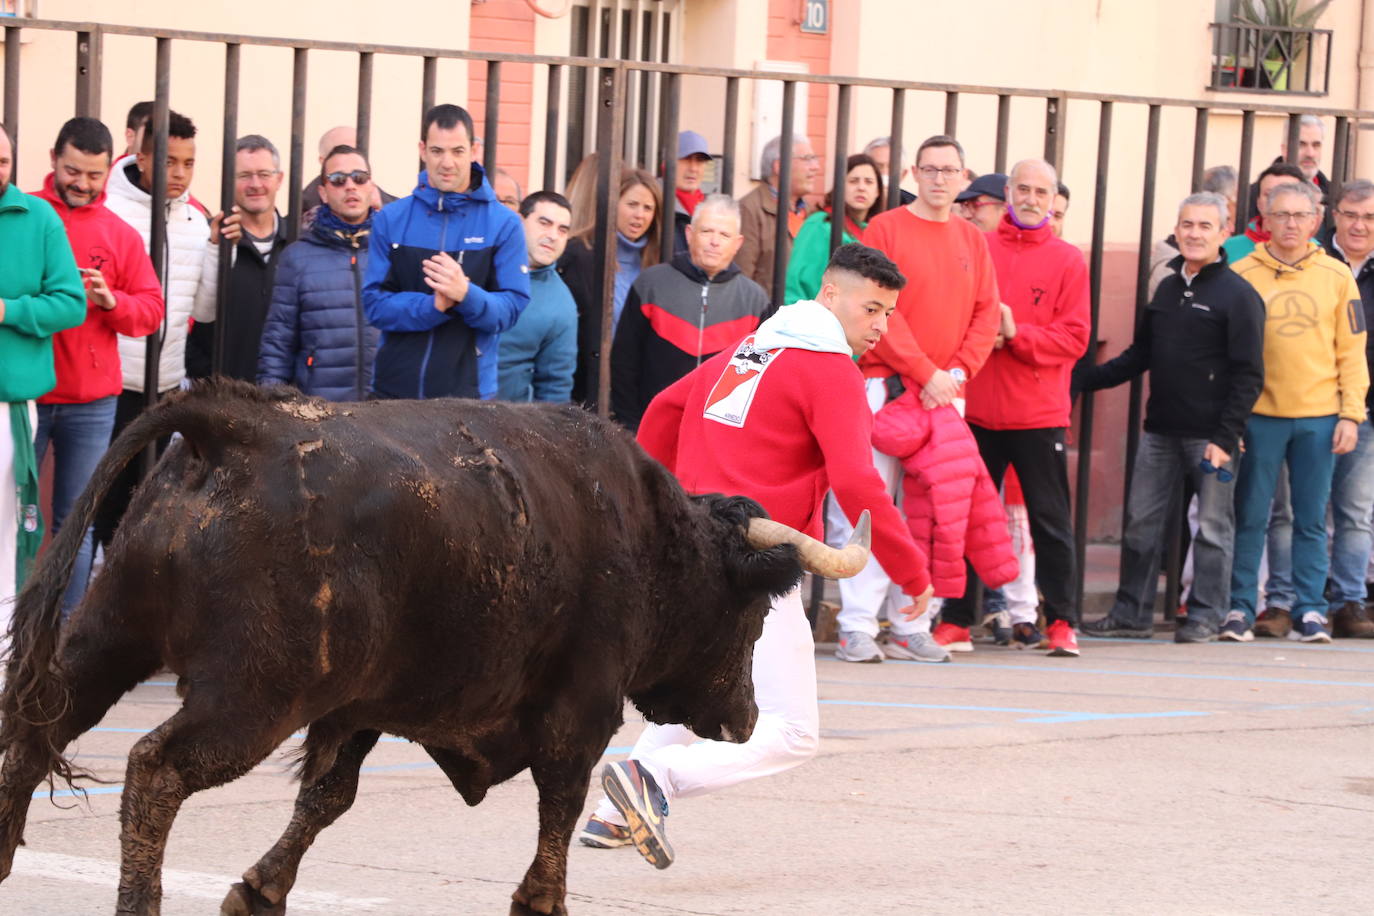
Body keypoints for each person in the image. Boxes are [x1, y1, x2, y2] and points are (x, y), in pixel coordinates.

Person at [578, 243, 933, 863]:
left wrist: (666, 502)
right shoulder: (832, 369)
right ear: (831, 296)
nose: (881, 325)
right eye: (872, 308)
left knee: (688, 703)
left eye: (889, 312)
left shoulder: (751, 349)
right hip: (757, 566)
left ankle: (614, 812)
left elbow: (664, 406)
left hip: (695, 549)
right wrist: (911, 572)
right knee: (792, 734)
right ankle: (654, 783)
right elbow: (857, 483)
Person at [830, 134, 1000, 663]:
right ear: (914, 174)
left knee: (935, 514)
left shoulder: (973, 241)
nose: (940, 179)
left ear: (963, 177)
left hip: (946, 395)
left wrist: (953, 372)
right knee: (870, 505)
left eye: (950, 170)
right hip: (886, 387)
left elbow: (986, 314)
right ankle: (856, 624)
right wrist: (924, 371)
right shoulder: (886, 229)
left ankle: (912, 622)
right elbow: (879, 308)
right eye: (930, 169)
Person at [1077, 192, 1265, 642]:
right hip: (1159, 432)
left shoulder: (1239, 295)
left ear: (1224, 234)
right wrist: (1087, 378)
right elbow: (1142, 353)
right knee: (1141, 524)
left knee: (1214, 531)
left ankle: (1205, 615)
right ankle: (1132, 614)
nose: (1194, 234)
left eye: (1205, 226)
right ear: (1177, 230)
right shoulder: (1166, 286)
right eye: (1187, 225)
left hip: (1211, 439)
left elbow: (1249, 374)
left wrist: (1227, 435)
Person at [934, 159, 1090, 656]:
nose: (1030, 198)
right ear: (1008, 191)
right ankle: (957, 619)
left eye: (1040, 192)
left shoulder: (1069, 260)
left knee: (1050, 520)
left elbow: (1076, 336)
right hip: (977, 405)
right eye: (1022, 189)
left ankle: (1062, 620)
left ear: (1052, 199)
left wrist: (1016, 334)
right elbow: (957, 314)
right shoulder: (979, 247)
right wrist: (988, 334)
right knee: (965, 518)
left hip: (1038, 412)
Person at [1223, 180, 1368, 643]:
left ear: (1315, 221)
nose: (1290, 224)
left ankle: (1310, 610)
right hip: (1260, 415)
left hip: (1319, 416)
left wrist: (1351, 414)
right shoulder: (1241, 271)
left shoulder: (1336, 275)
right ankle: (1242, 608)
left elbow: (1352, 348)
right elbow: (1227, 352)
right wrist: (1232, 419)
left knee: (1309, 519)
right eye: (1280, 215)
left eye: (1299, 216)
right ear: (1264, 220)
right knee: (1251, 515)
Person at [31, 117, 163, 615]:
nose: (82, 184)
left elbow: (151, 312)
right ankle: (12, 630)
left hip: (91, 402)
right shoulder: (25, 214)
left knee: (76, 523)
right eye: (72, 171)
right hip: (25, 393)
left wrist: (113, 302)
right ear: (52, 159)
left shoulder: (121, 235)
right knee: (11, 519)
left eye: (93, 175)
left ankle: (63, 635)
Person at [97, 109, 215, 550]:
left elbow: (202, 309)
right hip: (112, 383)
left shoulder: (194, 221)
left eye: (188, 163)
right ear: (141, 158)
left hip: (164, 383)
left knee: (144, 500)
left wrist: (219, 250)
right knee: (102, 501)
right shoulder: (110, 212)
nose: (180, 173)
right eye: (169, 161)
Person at [362, 103, 530, 400]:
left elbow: (511, 309)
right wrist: (433, 307)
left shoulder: (504, 224)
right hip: (393, 395)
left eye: (457, 151)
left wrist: (465, 294)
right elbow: (375, 306)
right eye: (438, 151)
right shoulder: (391, 218)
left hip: (468, 397)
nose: (447, 162)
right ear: (422, 150)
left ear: (474, 151)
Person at [0, 121, 86, 616]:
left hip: (7, 409)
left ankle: (2, 669)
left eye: (5, 160)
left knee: (6, 538)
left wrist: (7, 311)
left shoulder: (38, 218)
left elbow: (70, 304)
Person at [611, 194, 768, 430]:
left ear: (737, 243)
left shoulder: (756, 301)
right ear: (689, 234)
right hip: (653, 427)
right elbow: (624, 363)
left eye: (724, 235)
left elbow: (759, 381)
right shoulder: (650, 285)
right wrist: (631, 427)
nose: (714, 241)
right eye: (706, 231)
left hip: (719, 435)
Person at [258, 144, 380, 402]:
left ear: (371, 186)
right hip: (320, 410)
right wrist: (271, 407)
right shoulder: (297, 257)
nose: (350, 186)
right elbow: (277, 343)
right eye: (338, 180)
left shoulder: (392, 250)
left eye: (359, 178)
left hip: (385, 409)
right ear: (323, 193)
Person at [1314, 178, 1374, 637]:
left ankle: (1348, 603)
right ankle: (1302, 600)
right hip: (1308, 404)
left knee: (1355, 511)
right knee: (1301, 509)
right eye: (1351, 214)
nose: (1360, 225)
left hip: (1367, 411)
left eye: (1369, 217)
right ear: (1334, 215)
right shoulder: (1313, 262)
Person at [557, 167, 662, 407]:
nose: (639, 215)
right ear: (613, 204)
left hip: (633, 391)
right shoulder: (580, 253)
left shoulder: (657, 261)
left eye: (648, 208)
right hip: (585, 387)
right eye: (632, 204)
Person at [187, 134, 288, 382]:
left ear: (279, 179)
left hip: (285, 391)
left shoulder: (297, 242)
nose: (255, 184)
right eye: (244, 176)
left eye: (264, 174)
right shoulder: (207, 238)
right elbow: (193, 316)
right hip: (220, 391)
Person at [497, 190, 577, 402]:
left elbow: (555, 389)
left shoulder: (561, 303)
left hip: (499, 425)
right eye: (544, 222)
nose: (553, 235)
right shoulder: (482, 262)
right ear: (520, 220)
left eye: (562, 230)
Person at [784, 153, 883, 304]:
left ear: (878, 192)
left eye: (869, 182)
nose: (861, 188)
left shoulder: (873, 231)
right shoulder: (820, 224)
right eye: (853, 181)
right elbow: (796, 283)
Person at [736, 135, 821, 298]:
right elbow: (741, 280)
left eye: (814, 159)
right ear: (780, 166)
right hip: (767, 318)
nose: (815, 167)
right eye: (807, 159)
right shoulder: (749, 209)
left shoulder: (812, 214)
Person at [1244, 114, 1330, 223]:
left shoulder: (1334, 195)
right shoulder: (1252, 195)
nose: (1310, 153)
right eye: (1301, 144)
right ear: (1284, 149)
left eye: (1316, 145)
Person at [298, 126, 395, 218]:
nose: (350, 185)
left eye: (357, 154)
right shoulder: (300, 213)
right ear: (323, 162)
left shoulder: (396, 208)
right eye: (340, 153)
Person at [1224, 162, 1306, 265]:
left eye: (1286, 194)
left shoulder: (1314, 252)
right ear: (1258, 202)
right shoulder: (1230, 248)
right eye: (1269, 194)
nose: (1277, 202)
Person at [669, 130, 714, 256]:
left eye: (699, 161)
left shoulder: (712, 210)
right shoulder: (652, 203)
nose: (693, 168)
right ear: (667, 162)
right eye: (686, 159)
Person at [863, 136, 915, 205]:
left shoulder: (913, 207)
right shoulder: (850, 203)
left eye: (891, 167)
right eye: (878, 166)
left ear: (903, 174)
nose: (884, 173)